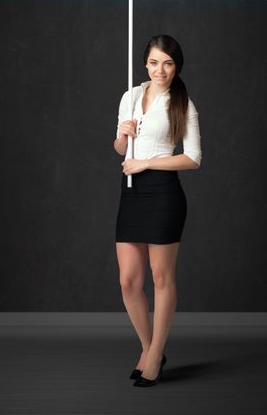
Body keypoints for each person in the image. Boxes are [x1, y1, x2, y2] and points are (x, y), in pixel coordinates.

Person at [113, 34, 201, 387]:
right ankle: (151, 349)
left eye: (167, 63)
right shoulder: (130, 96)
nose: (160, 70)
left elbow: (193, 158)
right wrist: (123, 134)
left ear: (176, 65)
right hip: (131, 192)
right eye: (153, 62)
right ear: (145, 63)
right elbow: (121, 148)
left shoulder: (183, 104)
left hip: (164, 194)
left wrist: (147, 162)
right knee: (129, 281)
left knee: (161, 277)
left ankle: (152, 357)